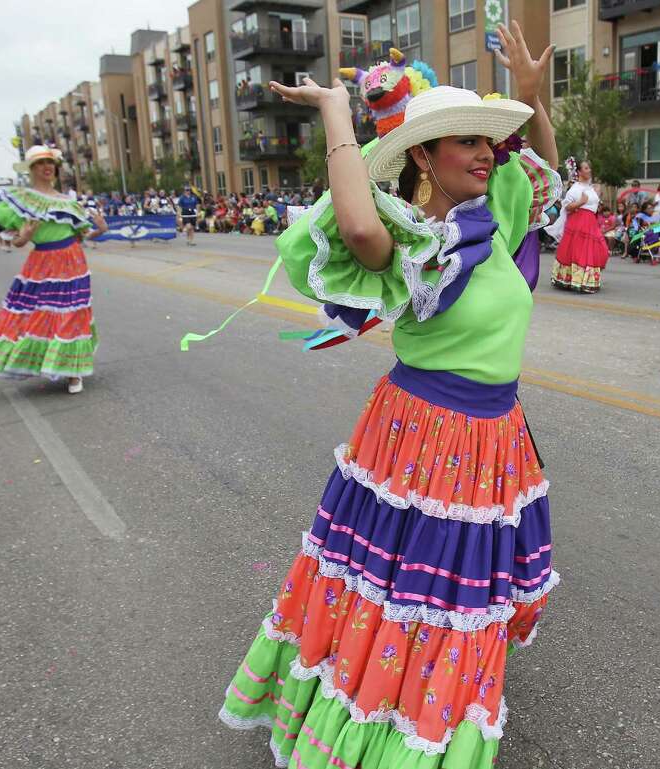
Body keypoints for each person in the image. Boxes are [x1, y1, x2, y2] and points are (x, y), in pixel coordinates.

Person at [216, 23, 562, 768]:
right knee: (415, 595)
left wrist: (533, 100)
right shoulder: (411, 243)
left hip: (492, 435)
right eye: (464, 140)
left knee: (453, 597)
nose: (484, 152)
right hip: (424, 436)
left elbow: (539, 176)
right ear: (423, 159)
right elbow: (355, 222)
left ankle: (426, 706)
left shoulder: (491, 220)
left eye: (486, 140)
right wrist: (337, 112)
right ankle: (388, 730)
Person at [0, 145, 107, 392]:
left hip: (72, 261)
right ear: (31, 169)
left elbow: (80, 237)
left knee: (71, 313)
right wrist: (25, 236)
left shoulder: (68, 202)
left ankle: (73, 372)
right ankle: (45, 362)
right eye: (41, 163)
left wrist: (100, 230)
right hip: (42, 262)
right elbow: (18, 240)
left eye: (51, 163)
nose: (48, 167)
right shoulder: (20, 200)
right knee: (36, 314)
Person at [550, 157, 609, 293]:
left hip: (591, 223)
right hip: (579, 224)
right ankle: (578, 280)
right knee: (582, 252)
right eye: (586, 168)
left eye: (589, 168)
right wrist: (581, 202)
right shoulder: (575, 189)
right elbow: (566, 206)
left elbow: (593, 206)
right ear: (580, 172)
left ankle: (582, 279)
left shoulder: (590, 188)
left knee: (602, 250)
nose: (589, 170)